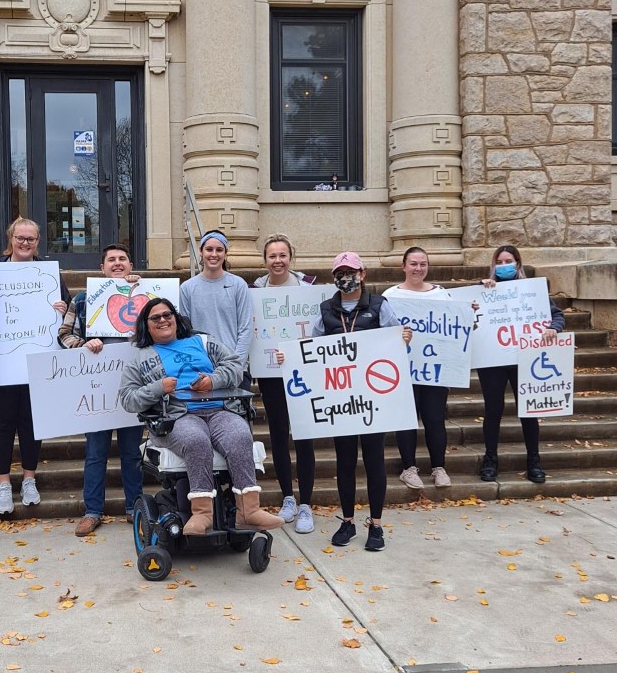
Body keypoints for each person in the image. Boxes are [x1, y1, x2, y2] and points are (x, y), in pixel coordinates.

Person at [118, 298, 280, 536]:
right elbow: (127, 399)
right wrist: (158, 387)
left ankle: (249, 511)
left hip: (220, 410)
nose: (163, 320)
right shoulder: (140, 359)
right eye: (156, 318)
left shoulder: (203, 342)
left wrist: (213, 380)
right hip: (175, 417)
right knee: (196, 440)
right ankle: (202, 514)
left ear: (176, 318)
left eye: (168, 314)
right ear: (146, 326)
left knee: (239, 435)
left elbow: (235, 366)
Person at [0, 217, 69, 516]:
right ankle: (4, 483)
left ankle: (29, 479)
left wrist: (62, 308)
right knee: (1, 425)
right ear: (10, 238)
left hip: (36, 364)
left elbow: (70, 312)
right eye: (20, 238)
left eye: (31, 239)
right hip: (0, 365)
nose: (25, 243)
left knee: (32, 424)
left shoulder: (49, 274)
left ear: (38, 242)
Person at [312, 252, 412, 552]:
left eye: (351, 271)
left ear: (363, 274)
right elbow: (312, 348)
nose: (346, 277)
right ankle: (347, 520)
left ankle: (376, 524)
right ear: (334, 277)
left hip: (372, 399)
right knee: (345, 461)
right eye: (340, 272)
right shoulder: (325, 310)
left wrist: (404, 338)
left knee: (374, 459)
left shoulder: (380, 306)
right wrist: (287, 357)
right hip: (341, 400)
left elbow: (396, 343)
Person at [58, 244, 144, 537]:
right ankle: (92, 511)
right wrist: (83, 344)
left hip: (135, 386)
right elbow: (64, 335)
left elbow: (167, 329)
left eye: (122, 259)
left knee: (132, 453)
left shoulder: (147, 295)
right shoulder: (84, 300)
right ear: (102, 268)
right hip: (96, 388)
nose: (117, 264)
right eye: (111, 260)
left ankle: (135, 508)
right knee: (96, 453)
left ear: (131, 266)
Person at [478, 244, 565, 485]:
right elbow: (470, 314)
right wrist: (481, 291)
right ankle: (490, 460)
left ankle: (534, 461)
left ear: (518, 264)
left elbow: (557, 316)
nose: (504, 265)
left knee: (529, 411)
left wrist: (552, 329)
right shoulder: (483, 289)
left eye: (509, 261)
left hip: (524, 358)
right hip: (493, 359)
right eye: (500, 262)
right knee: (493, 410)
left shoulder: (533, 291)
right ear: (494, 265)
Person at [252, 233, 317, 534]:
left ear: (291, 257)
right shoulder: (256, 291)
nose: (277, 261)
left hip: (303, 372)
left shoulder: (308, 289)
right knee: (279, 434)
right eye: (272, 256)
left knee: (304, 435)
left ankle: (306, 503)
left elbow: (320, 332)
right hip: (270, 373)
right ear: (265, 260)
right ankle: (288, 498)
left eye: (282, 255)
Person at [383, 246, 453, 490]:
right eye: (413, 263)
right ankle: (408, 468)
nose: (418, 268)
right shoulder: (390, 296)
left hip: (435, 369)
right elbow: (383, 332)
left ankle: (439, 467)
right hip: (404, 370)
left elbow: (456, 329)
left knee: (435, 419)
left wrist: (469, 314)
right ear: (403, 266)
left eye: (423, 264)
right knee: (406, 420)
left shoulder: (442, 295)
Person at [178, 231, 253, 374]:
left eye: (219, 250)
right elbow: (185, 332)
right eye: (209, 249)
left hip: (235, 367)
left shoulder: (238, 285)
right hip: (201, 368)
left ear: (225, 253)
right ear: (201, 252)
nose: (214, 254)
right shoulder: (187, 288)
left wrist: (236, 365)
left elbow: (245, 328)